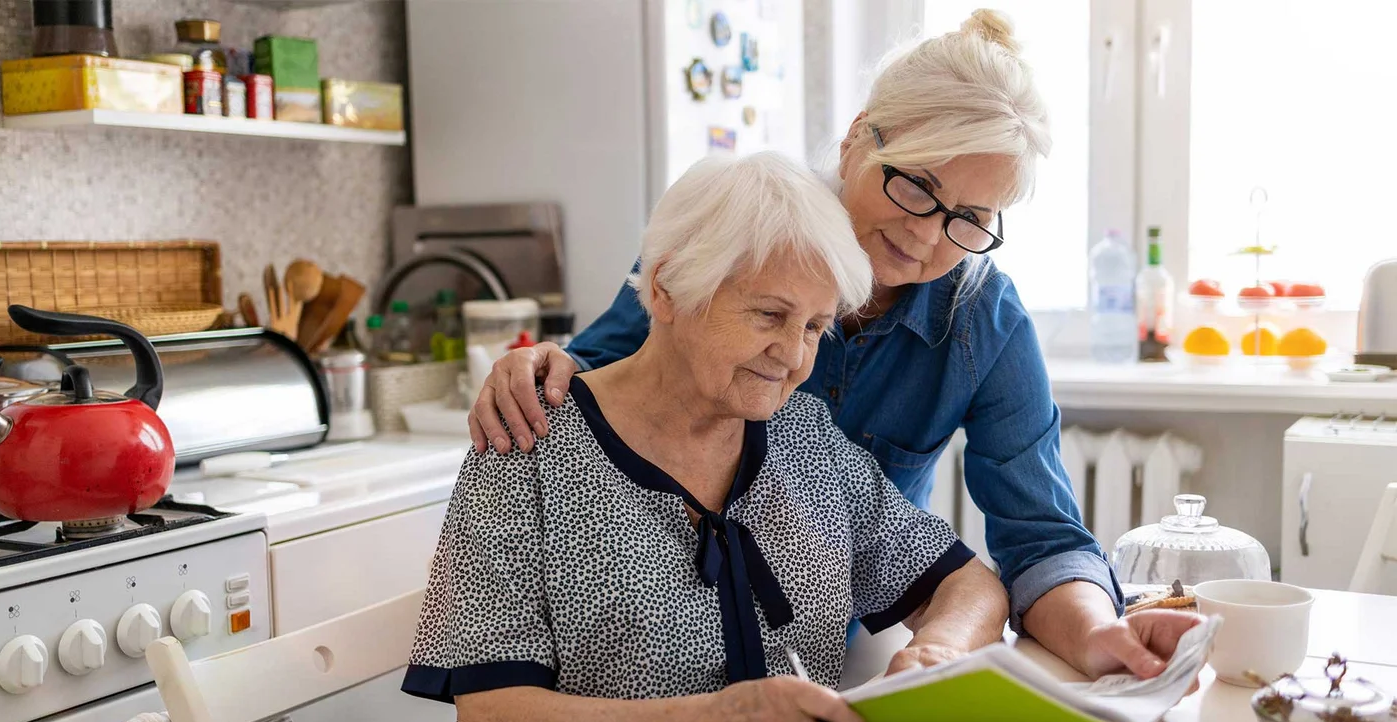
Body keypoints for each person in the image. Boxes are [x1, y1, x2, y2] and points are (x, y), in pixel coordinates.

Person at [466, 9, 1202, 680]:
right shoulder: (736, 235)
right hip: (659, 651)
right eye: (917, 186)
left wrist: (1099, 633)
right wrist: (535, 367)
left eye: (969, 218)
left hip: (836, 648)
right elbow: (598, 382)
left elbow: (1040, 538)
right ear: (857, 139)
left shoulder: (984, 322)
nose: (926, 234)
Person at [400, 151, 1007, 722]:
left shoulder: (805, 438)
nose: (793, 356)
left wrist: (939, 653)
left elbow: (966, 584)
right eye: (769, 315)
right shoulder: (528, 443)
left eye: (814, 327)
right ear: (666, 289)